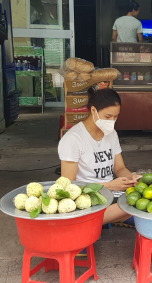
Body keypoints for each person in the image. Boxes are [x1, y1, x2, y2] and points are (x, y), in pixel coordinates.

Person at [58, 88, 137, 225]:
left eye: (115, 117)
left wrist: (131, 180)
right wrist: (109, 185)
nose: (112, 121)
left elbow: (119, 168)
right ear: (93, 110)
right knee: (138, 205)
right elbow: (69, 185)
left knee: (144, 199)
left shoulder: (111, 134)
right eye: (108, 117)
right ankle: (110, 217)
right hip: (85, 196)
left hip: (110, 193)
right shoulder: (73, 139)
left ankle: (112, 216)